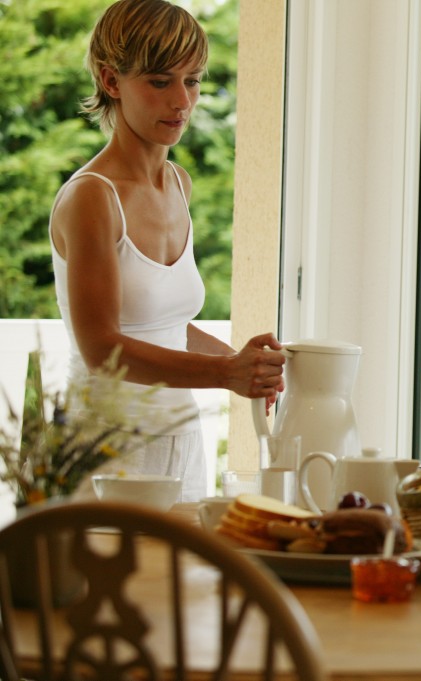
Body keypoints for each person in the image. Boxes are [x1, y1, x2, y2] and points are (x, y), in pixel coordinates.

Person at [49, 0, 285, 501]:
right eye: (159, 82)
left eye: (192, 81)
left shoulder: (179, 183)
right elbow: (102, 349)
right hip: (106, 447)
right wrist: (226, 373)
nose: (182, 101)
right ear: (111, 80)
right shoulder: (92, 196)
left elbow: (166, 328)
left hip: (182, 438)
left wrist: (245, 365)